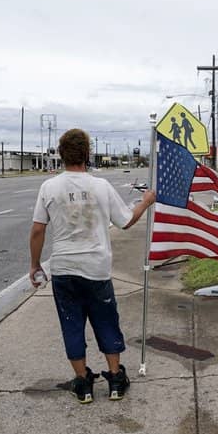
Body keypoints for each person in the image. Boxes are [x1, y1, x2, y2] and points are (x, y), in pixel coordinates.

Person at [29, 128, 156, 404]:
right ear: (87, 154)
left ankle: (83, 384)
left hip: (63, 269)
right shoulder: (101, 187)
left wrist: (35, 265)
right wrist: (145, 202)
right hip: (96, 269)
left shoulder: (49, 187)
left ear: (61, 155)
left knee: (72, 325)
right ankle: (115, 380)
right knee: (106, 321)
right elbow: (125, 221)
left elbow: (38, 231)